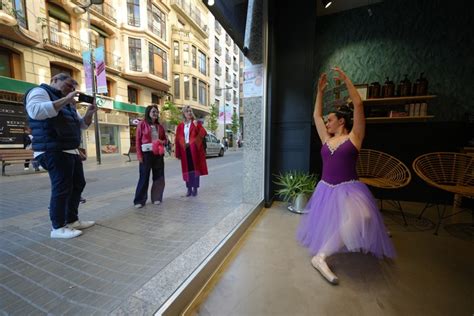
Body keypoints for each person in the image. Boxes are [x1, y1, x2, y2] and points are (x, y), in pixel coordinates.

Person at [296, 67, 395, 284]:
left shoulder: (354, 137)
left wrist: (347, 80)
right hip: (326, 188)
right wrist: (320, 92)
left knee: (366, 217)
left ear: (342, 121)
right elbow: (315, 115)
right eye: (327, 120)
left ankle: (372, 230)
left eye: (330, 119)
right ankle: (320, 257)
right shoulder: (326, 139)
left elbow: (358, 104)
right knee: (339, 220)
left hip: (349, 188)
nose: (327, 122)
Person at [25, 73, 97, 239]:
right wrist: (66, 99)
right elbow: (35, 111)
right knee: (62, 187)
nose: (72, 89)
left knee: (78, 184)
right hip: (52, 150)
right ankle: (57, 227)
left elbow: (82, 125)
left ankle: (72, 220)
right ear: (55, 80)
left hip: (69, 150)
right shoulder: (39, 92)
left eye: (74, 87)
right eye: (69, 84)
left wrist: (90, 112)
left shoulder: (68, 103)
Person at [133, 105, 167, 208]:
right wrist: (139, 155)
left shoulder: (160, 126)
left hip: (158, 154)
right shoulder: (142, 124)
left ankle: (156, 198)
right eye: (153, 111)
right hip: (146, 154)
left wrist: (162, 141)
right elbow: (138, 141)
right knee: (144, 177)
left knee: (159, 177)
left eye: (157, 112)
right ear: (148, 112)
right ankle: (139, 200)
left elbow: (165, 140)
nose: (155, 114)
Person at [175, 106, 208, 197]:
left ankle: (195, 188)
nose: (189, 113)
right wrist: (178, 152)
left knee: (195, 170)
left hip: (194, 151)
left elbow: (203, 133)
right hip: (184, 150)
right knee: (187, 170)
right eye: (187, 111)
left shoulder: (195, 123)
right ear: (184, 113)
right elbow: (177, 139)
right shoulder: (180, 126)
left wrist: (194, 143)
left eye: (190, 111)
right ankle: (189, 189)